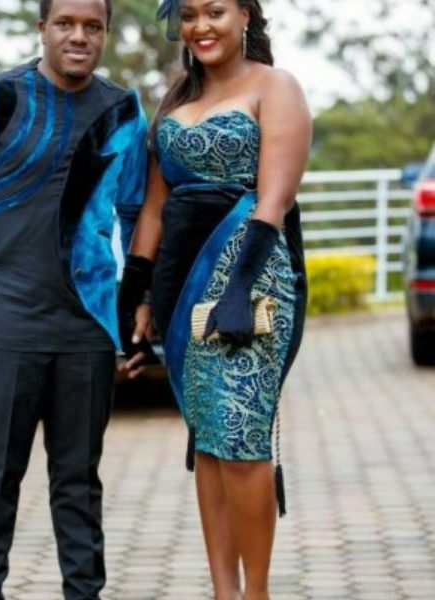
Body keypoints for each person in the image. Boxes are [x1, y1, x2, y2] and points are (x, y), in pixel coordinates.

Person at [0, 0, 148, 597]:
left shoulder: (123, 109)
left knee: (79, 485)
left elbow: (135, 213)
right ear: (42, 29)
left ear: (105, 33)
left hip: (87, 326)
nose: (79, 36)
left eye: (93, 26)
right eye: (65, 24)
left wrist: (136, 305)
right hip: (5, 322)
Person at [118, 1, 311, 599]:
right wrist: (136, 293)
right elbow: (154, 208)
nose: (201, 26)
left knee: (241, 438)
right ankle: (224, 591)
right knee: (207, 441)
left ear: (245, 16)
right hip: (181, 285)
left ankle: (257, 593)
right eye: (190, 14)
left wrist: (238, 290)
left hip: (251, 278)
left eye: (216, 11)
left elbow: (273, 201)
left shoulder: (276, 87)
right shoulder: (174, 101)